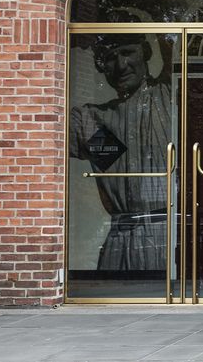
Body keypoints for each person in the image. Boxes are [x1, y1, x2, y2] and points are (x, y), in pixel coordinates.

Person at [70, 31, 175, 271]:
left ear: (146, 53)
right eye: (110, 58)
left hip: (165, 235)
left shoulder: (168, 95)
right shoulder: (94, 118)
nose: (121, 65)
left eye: (128, 53)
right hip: (120, 240)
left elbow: (175, 48)